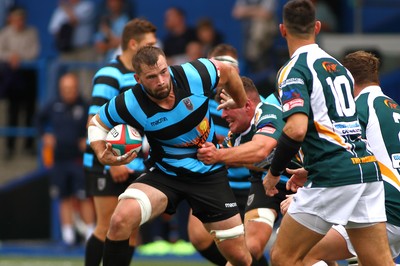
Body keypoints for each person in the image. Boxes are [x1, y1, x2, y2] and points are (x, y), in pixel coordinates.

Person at [88, 45, 254, 266]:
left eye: (163, 71)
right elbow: (96, 124)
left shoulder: (194, 74)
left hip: (209, 174)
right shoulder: (130, 102)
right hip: (166, 174)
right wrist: (100, 153)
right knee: (120, 219)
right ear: (138, 79)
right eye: (152, 77)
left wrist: (241, 103)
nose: (161, 81)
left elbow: (230, 72)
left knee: (240, 258)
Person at [262, 1, 393, 265]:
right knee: (378, 262)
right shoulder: (339, 68)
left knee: (283, 257)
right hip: (366, 170)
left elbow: (296, 129)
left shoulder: (293, 70)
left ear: (282, 29)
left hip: (333, 176)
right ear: (318, 27)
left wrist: (273, 173)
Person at [296, 51, 400, 265]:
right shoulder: (393, 107)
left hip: (387, 209)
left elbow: (344, 159)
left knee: (301, 252)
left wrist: (306, 190)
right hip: (391, 205)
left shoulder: (358, 109)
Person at [83, 18, 157, 266]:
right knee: (106, 225)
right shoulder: (109, 74)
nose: (155, 49)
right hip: (104, 162)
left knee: (131, 228)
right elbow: (94, 121)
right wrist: (112, 163)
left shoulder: (141, 77)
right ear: (133, 44)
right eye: (150, 44)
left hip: (133, 164)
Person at [36, 72, 95, 247]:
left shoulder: (85, 106)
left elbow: (96, 124)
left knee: (84, 196)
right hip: (59, 158)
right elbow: (38, 119)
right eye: (65, 89)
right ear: (60, 89)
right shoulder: (53, 105)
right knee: (64, 197)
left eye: (71, 88)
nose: (68, 92)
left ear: (76, 88)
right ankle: (67, 236)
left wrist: (88, 138)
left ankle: (91, 234)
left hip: (79, 159)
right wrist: (45, 135)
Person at [0, 7, 40, 159]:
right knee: (12, 113)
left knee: (30, 113)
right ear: (11, 19)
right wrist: (11, 56)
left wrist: (19, 58)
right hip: (11, 80)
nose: (19, 22)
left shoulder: (32, 32)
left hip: (27, 78)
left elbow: (34, 51)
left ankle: (29, 146)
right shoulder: (5, 33)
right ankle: (10, 147)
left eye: (21, 19)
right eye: (16, 19)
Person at [232, 0, 277, 72]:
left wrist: (246, 11)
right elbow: (237, 13)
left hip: (267, 34)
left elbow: (266, 13)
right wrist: (257, 10)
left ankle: (256, 60)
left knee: (259, 25)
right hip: (248, 35)